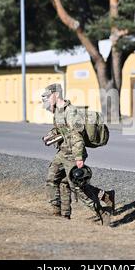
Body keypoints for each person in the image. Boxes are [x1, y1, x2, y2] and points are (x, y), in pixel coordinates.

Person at [42, 83, 114, 225]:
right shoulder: (58, 111)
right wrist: (49, 136)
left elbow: (77, 136)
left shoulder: (71, 112)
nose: (47, 100)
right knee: (54, 180)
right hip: (63, 152)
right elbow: (60, 130)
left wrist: (79, 158)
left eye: (48, 96)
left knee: (77, 186)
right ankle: (60, 214)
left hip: (73, 155)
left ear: (56, 95)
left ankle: (102, 212)